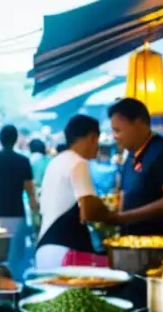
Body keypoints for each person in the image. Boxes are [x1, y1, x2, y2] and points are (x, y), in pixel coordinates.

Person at [35, 115, 112, 270]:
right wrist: (114, 217)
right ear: (92, 137)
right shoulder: (78, 162)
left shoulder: (56, 161)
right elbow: (88, 211)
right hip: (66, 252)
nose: (98, 147)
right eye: (97, 140)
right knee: (116, 268)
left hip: (44, 251)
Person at [107, 98, 163, 234]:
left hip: (155, 243)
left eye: (118, 130)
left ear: (138, 123)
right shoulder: (132, 154)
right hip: (130, 240)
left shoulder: (162, 153)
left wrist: (126, 217)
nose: (115, 136)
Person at [0, 125, 38, 279]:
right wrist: (36, 219)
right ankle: (15, 292)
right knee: (16, 261)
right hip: (18, 218)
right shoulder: (23, 161)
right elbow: (31, 193)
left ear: (0, 139)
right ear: (15, 140)